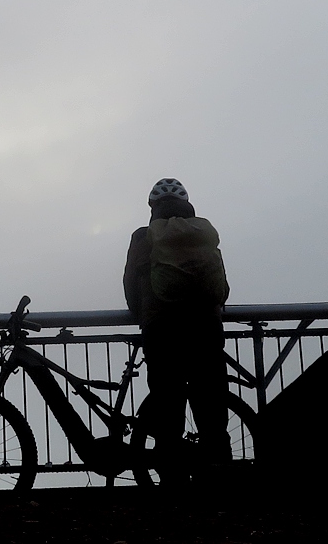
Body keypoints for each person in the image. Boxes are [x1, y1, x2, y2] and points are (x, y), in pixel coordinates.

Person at [123, 178, 232, 484]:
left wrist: (143, 314)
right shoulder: (203, 233)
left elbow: (131, 286)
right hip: (205, 327)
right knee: (210, 400)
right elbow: (222, 288)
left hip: (161, 330)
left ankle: (172, 481)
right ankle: (220, 476)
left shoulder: (143, 236)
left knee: (167, 400)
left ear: (152, 207)